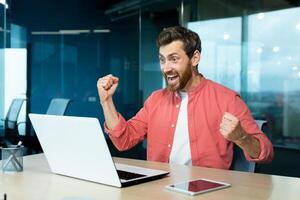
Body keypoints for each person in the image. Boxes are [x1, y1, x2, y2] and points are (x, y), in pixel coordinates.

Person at [97, 26, 273, 169]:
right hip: (158, 189)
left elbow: (266, 153)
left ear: (195, 58)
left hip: (208, 191)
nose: (166, 68)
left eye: (174, 59)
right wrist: (106, 101)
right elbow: (123, 140)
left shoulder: (227, 99)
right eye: (162, 60)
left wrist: (242, 137)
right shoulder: (156, 99)